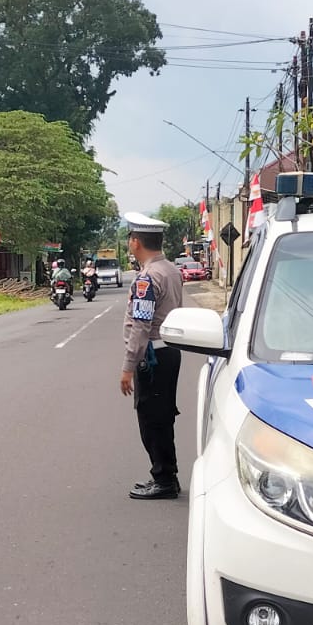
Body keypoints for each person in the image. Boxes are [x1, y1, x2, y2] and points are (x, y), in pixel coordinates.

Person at [118, 213, 184, 499]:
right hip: (169, 352)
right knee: (163, 417)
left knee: (151, 419)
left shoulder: (147, 278)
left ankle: (164, 480)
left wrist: (128, 367)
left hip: (153, 358)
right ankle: (165, 475)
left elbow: (141, 325)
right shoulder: (170, 269)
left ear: (135, 242)